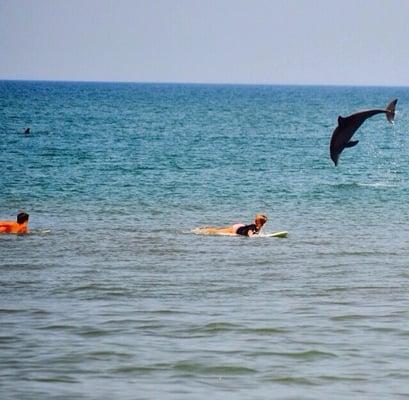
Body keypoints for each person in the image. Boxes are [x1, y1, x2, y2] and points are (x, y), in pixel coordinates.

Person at [195, 214, 268, 237]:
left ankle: (205, 228)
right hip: (236, 229)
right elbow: (250, 233)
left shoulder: (257, 226)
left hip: (240, 226)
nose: (264, 224)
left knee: (218, 229)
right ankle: (201, 230)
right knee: (216, 231)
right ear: (259, 223)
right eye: (263, 223)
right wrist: (253, 236)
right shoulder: (253, 227)